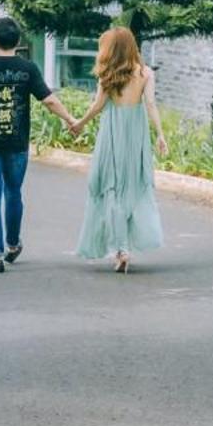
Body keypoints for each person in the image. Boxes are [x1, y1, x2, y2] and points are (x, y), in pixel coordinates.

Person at [0, 16, 79, 274]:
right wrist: (70, 119)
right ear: (18, 40)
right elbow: (48, 101)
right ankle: (12, 245)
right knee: (13, 192)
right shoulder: (28, 69)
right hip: (17, 144)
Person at [70, 26, 166, 273]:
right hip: (136, 133)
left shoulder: (108, 75)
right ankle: (123, 248)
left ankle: (121, 249)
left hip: (113, 133)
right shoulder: (145, 73)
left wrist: (79, 123)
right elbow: (151, 104)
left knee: (110, 187)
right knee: (131, 188)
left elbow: (98, 106)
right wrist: (160, 135)